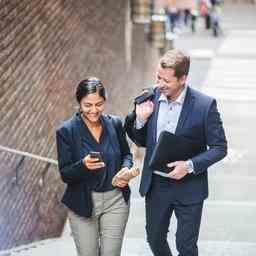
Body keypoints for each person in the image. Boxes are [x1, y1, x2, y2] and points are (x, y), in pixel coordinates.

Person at [125, 49, 227, 256]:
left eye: (166, 81)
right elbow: (141, 140)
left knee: (186, 246)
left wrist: (189, 166)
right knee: (154, 238)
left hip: (189, 186)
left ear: (183, 79)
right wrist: (141, 120)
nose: (160, 84)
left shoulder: (205, 106)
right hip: (157, 185)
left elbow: (220, 148)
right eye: (158, 78)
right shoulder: (150, 97)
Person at [56, 77, 134, 256]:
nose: (93, 110)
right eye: (87, 105)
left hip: (116, 201)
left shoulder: (114, 124)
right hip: (83, 202)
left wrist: (126, 169)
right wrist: (83, 165)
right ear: (79, 103)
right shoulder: (66, 131)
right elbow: (65, 174)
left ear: (105, 100)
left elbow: (127, 155)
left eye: (99, 104)